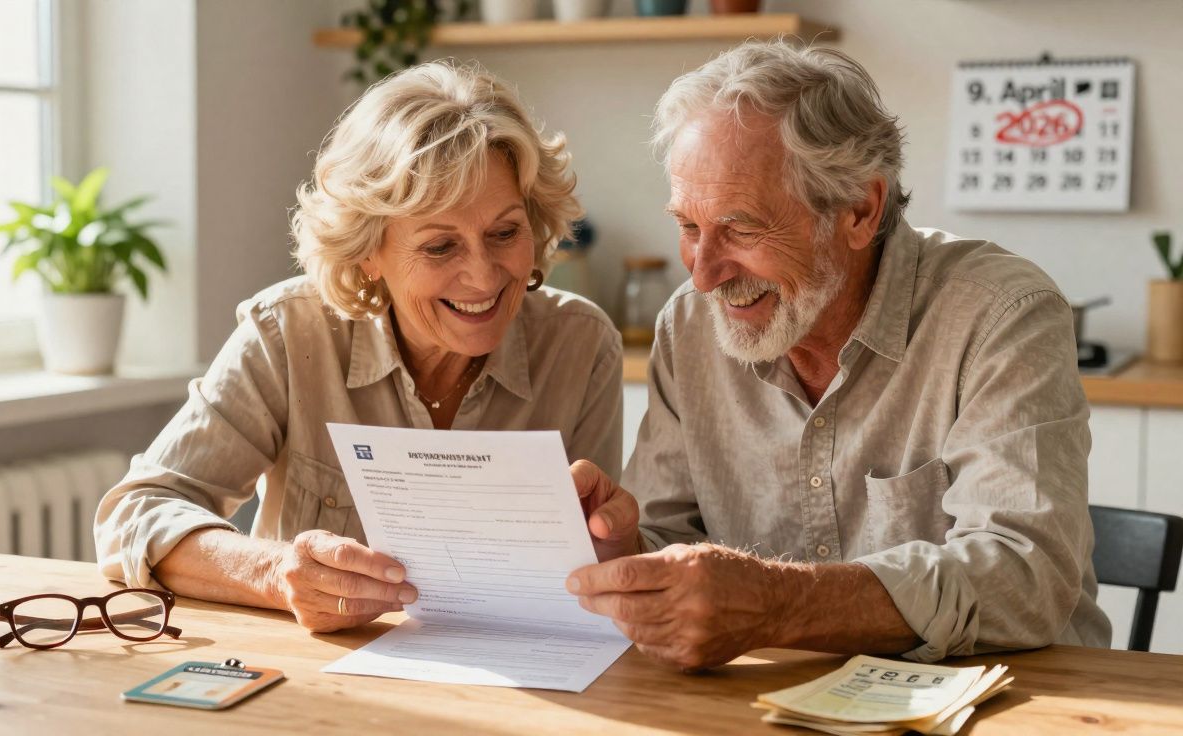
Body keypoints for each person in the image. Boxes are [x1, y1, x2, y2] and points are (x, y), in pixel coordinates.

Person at [565, 40, 1111, 670]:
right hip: (770, 703)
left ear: (860, 210)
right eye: (689, 227)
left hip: (1010, 702)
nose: (706, 274)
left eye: (741, 228)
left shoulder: (1001, 315)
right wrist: (619, 545)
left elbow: (1025, 574)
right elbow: (675, 545)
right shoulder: (689, 326)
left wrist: (776, 603)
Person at [94, 61, 623, 635]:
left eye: (504, 233)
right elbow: (135, 513)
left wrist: (614, 543)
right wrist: (276, 572)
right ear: (368, 252)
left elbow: (596, 571)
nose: (483, 276)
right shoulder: (288, 334)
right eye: (441, 246)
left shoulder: (581, 345)